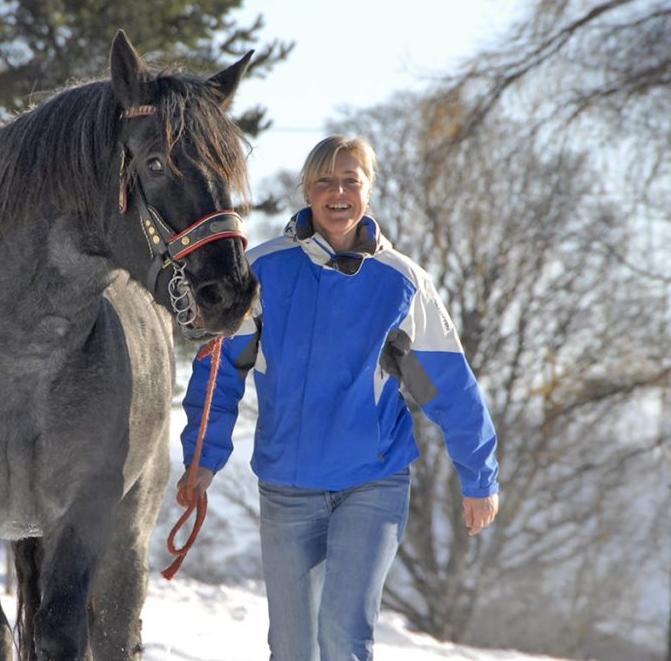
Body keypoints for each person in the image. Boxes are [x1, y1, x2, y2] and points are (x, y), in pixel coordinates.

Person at [175, 135, 500, 661]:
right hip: (287, 488)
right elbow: (220, 374)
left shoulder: (399, 282)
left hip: (370, 485)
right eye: (325, 180)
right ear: (307, 190)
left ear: (369, 191)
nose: (338, 192)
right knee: (293, 646)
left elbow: (443, 386)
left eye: (351, 180)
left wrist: (478, 476)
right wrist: (201, 460)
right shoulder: (261, 271)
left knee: (344, 636)